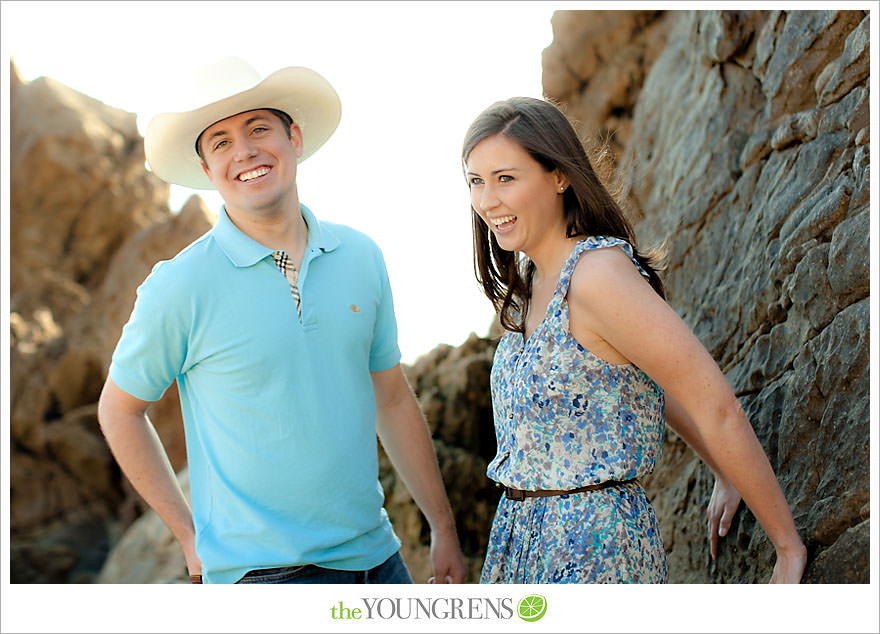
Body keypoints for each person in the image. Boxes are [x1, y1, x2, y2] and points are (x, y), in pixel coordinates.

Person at [97, 58, 465, 585]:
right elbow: (119, 410)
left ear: (294, 137)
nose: (244, 151)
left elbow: (392, 397)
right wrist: (187, 534)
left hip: (380, 563)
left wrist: (442, 528)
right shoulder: (180, 285)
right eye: (220, 141)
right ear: (206, 169)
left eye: (258, 128)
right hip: (263, 580)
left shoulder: (361, 256)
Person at [461, 96, 807, 584]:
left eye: (505, 178)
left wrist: (787, 549)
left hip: (594, 548)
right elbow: (636, 386)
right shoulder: (529, 283)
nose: (486, 201)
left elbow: (714, 404)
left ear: (559, 176)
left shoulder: (597, 274)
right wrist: (721, 471)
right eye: (475, 181)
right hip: (521, 542)